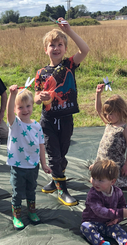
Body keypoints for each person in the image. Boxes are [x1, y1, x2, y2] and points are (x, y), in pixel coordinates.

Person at [34, 18, 90, 206]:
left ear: (65, 48)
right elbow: (35, 96)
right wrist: (39, 97)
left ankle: (55, 180)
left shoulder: (69, 65)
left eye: (60, 45)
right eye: (52, 45)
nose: (56, 48)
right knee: (53, 155)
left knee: (62, 153)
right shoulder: (41, 72)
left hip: (66, 118)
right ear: (45, 49)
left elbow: (85, 50)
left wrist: (69, 31)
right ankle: (62, 190)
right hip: (48, 120)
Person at [6, 85, 52, 230]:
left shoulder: (37, 126)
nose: (25, 110)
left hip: (33, 166)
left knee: (31, 190)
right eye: (20, 107)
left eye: (28, 106)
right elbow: (8, 114)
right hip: (18, 166)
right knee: (17, 192)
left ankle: (32, 211)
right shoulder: (15, 124)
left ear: (33, 106)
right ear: (15, 109)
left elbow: (41, 145)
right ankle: (17, 215)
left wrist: (44, 164)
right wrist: (12, 95)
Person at [80, 159, 127, 245]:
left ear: (112, 181)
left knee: (118, 230)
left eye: (100, 180)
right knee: (85, 227)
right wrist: (119, 213)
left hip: (108, 223)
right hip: (92, 221)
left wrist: (117, 219)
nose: (96, 182)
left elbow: (121, 205)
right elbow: (100, 211)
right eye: (94, 178)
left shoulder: (118, 192)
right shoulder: (93, 194)